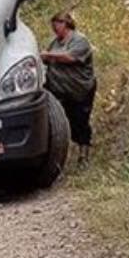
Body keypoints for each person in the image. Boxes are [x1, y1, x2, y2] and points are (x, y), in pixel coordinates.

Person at [41, 11, 97, 165]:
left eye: (57, 25)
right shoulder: (55, 43)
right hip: (59, 89)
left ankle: (84, 153)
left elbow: (70, 57)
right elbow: (47, 59)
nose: (54, 29)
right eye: (53, 26)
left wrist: (49, 55)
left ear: (65, 24)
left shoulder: (79, 41)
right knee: (62, 120)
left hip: (79, 89)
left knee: (81, 120)